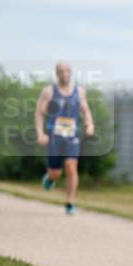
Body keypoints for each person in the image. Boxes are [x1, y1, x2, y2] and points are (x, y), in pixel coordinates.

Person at [35, 61, 95, 215]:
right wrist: (40, 133)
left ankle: (69, 203)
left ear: (71, 72)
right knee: (56, 172)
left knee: (71, 167)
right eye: (61, 71)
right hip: (54, 136)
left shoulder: (79, 92)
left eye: (67, 71)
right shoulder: (49, 91)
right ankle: (51, 177)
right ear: (57, 73)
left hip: (72, 135)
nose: (64, 74)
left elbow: (85, 110)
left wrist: (89, 124)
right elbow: (39, 113)